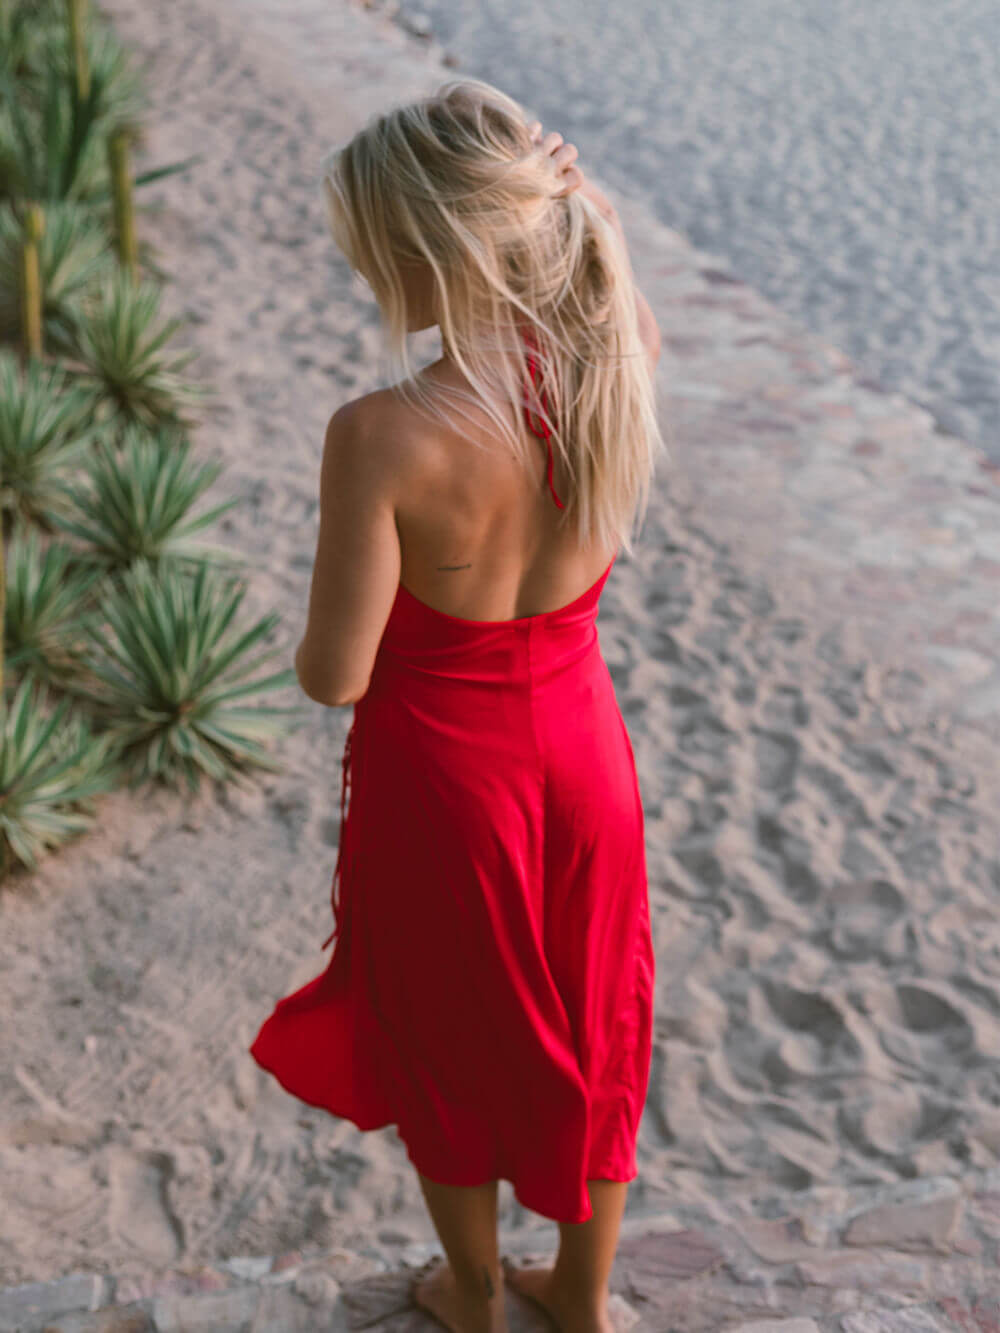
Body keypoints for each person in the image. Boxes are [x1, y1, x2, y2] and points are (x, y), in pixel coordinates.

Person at [248, 78, 666, 1333]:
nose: (363, 267)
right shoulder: (614, 361)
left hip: (446, 776)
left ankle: (473, 1298)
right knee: (595, 1012)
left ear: (428, 247)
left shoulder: (382, 432)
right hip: (586, 758)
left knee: (447, 1026)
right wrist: (569, 191)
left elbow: (336, 674)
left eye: (374, 244)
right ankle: (583, 1302)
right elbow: (605, 280)